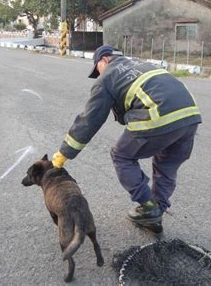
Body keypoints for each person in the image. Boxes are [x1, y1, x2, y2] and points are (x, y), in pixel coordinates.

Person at [51, 45, 201, 230]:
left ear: (104, 60)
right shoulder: (142, 64)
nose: (98, 75)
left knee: (122, 156)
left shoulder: (107, 77)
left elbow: (90, 120)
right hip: (191, 117)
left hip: (159, 116)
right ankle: (156, 213)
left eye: (97, 69)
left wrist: (64, 152)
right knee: (167, 165)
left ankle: (148, 205)